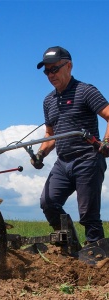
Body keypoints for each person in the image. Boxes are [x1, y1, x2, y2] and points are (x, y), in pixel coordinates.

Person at [32, 46, 109, 244]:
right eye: (47, 71)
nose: (50, 75)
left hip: (88, 159)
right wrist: (40, 154)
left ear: (69, 66)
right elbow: (50, 135)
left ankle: (96, 255)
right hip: (63, 162)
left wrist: (106, 142)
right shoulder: (48, 100)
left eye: (54, 69)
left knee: (88, 215)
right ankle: (70, 244)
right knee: (48, 202)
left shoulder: (86, 91)